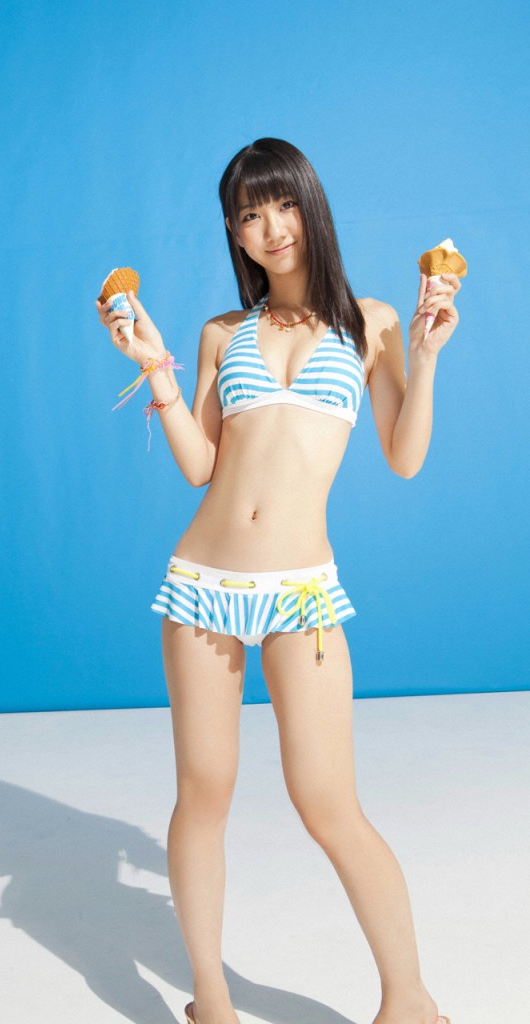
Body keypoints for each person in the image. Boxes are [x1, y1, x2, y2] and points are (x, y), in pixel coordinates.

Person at [95, 137, 460, 1024]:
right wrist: (153, 368)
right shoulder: (223, 333)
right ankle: (212, 1003)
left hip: (302, 591)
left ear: (310, 205)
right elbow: (200, 466)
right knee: (204, 793)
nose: (270, 227)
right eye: (249, 214)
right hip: (205, 585)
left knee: (330, 804)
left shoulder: (371, 323)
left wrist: (425, 355)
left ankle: (410, 1001)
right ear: (235, 232)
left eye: (283, 204)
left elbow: (404, 456)